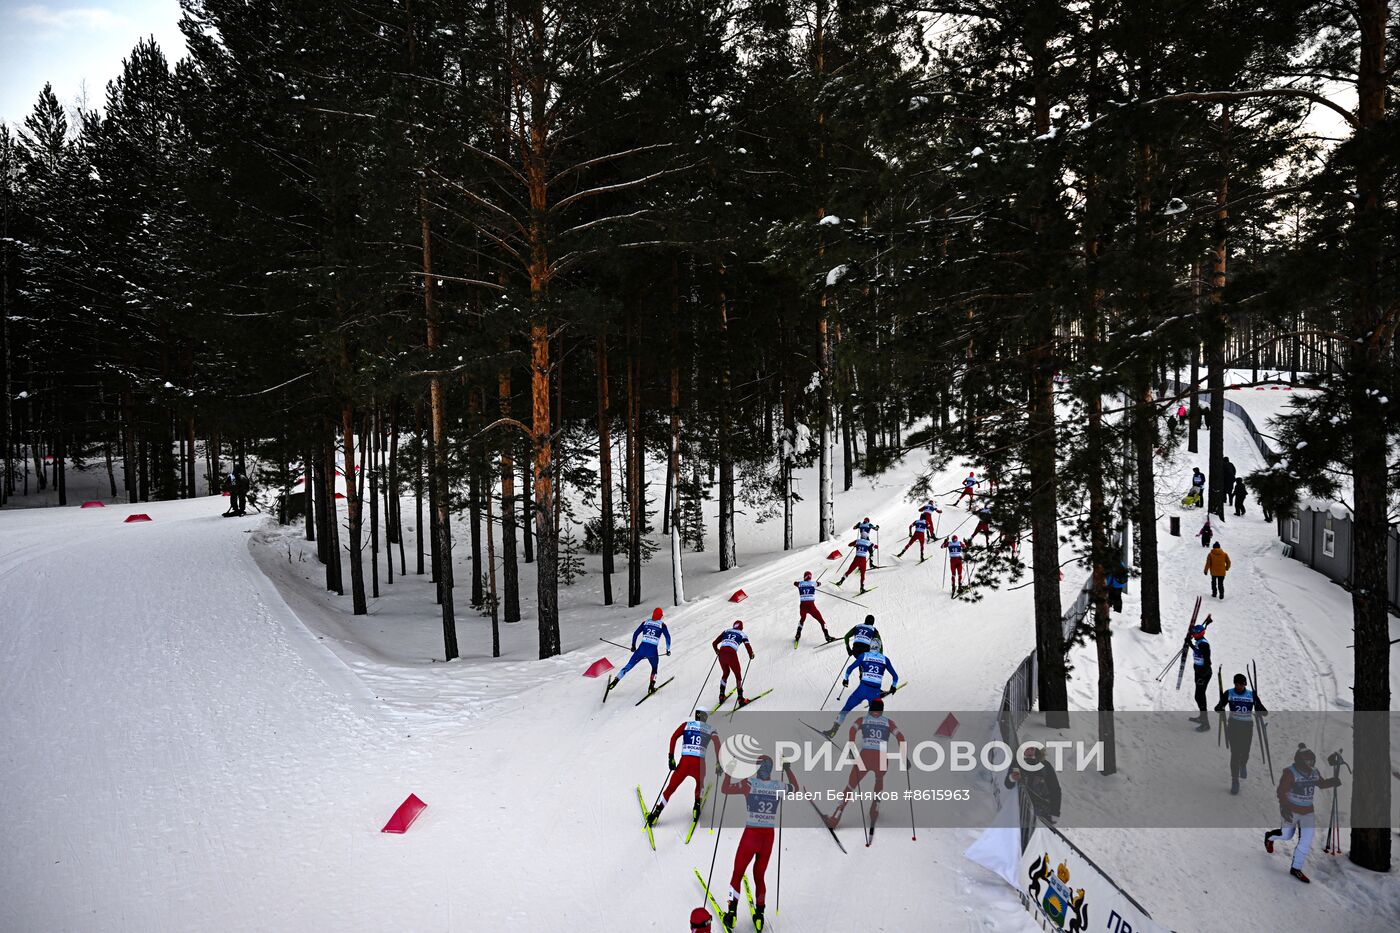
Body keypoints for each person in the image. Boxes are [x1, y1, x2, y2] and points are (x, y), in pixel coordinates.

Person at [720, 755, 798, 930]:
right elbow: (796, 788)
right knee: (759, 877)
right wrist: (787, 770)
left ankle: (732, 914)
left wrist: (729, 771)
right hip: (768, 837)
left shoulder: (749, 783)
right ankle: (759, 916)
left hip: (751, 835)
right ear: (770, 769)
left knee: (737, 874)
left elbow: (725, 788)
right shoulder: (778, 786)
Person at [1265, 744, 1342, 883]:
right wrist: (1284, 807)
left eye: (1312, 761)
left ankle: (1296, 868)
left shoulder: (1314, 772)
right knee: (1286, 835)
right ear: (1300, 761)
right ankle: (1269, 837)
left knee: (1305, 840)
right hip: (1290, 809)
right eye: (1307, 761)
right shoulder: (1290, 773)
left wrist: (1333, 781)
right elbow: (1281, 792)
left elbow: (1321, 784)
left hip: (1307, 811)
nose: (1310, 764)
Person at [825, 697, 906, 829]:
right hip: (882, 758)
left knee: (851, 786)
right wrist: (904, 755)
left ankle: (836, 816)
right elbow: (900, 737)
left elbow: (852, 729)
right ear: (882, 710)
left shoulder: (862, 719)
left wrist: (851, 745)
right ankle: (874, 810)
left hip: (865, 756)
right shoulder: (888, 722)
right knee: (879, 780)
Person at [648, 709, 721, 826]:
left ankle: (656, 812)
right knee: (700, 783)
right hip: (700, 765)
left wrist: (671, 757)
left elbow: (673, 737)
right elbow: (718, 746)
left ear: (696, 716)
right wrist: (718, 763)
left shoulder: (686, 725)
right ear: (705, 717)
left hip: (685, 763)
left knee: (671, 788)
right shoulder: (711, 729)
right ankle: (697, 806)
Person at [822, 644, 899, 736]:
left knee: (845, 709)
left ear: (870, 647)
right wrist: (893, 687)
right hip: (875, 692)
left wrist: (846, 679)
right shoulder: (885, 659)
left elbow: (849, 669)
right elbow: (895, 676)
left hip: (862, 689)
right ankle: (866, 743)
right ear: (880, 648)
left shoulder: (864, 655)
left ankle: (833, 731)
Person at [1215, 672, 1267, 794]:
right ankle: (1235, 780)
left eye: (1241, 684)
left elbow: (1264, 712)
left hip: (1247, 727)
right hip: (1233, 726)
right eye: (1236, 684)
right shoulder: (1229, 693)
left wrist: (1260, 709)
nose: (1238, 686)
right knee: (1235, 753)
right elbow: (1218, 706)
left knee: (1245, 752)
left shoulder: (1251, 694)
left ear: (1245, 684)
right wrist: (1219, 708)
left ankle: (1243, 764)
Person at [607, 607, 672, 693]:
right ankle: (651, 687)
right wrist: (668, 650)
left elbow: (635, 634)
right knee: (654, 668)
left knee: (628, 666)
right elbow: (668, 638)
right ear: (660, 616)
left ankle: (615, 681)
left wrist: (633, 646)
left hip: (641, 650)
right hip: (652, 652)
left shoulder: (645, 623)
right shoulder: (662, 625)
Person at [1004, 743, 1061, 824]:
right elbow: (1007, 784)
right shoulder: (1017, 764)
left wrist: (1055, 812)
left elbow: (1055, 789)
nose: (1030, 751)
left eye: (1032, 749)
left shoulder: (1045, 766)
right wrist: (1012, 778)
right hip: (1022, 810)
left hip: (1043, 811)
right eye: (1027, 749)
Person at [712, 621, 754, 705]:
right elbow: (747, 646)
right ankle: (740, 699)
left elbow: (714, 643)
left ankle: (721, 695)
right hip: (731, 655)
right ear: (741, 627)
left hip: (722, 654)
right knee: (738, 676)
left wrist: (717, 651)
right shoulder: (742, 634)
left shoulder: (726, 631)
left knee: (725, 673)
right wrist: (751, 654)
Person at [1185, 619, 1214, 731]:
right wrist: (1190, 643)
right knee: (1199, 696)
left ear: (1199, 634)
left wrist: (1202, 674)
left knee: (1199, 696)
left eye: (1194, 633)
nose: (1193, 634)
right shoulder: (1199, 641)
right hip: (1199, 671)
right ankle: (1202, 717)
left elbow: (1207, 661)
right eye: (1193, 633)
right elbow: (1198, 651)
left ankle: (1206, 723)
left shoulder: (1204, 644)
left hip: (1204, 673)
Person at [792, 572, 835, 646]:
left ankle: (798, 634)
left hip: (802, 606)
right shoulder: (813, 583)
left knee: (802, 619)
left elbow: (794, 583)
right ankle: (827, 636)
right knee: (821, 621)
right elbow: (819, 583)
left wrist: (803, 584)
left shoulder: (800, 583)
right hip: (811, 606)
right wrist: (813, 584)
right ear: (810, 577)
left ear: (804, 577)